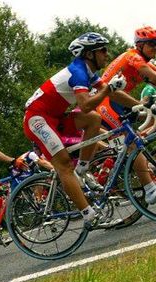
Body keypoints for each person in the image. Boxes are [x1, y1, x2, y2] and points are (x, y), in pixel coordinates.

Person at [23, 32, 127, 229]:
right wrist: (107, 90)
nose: (107, 53)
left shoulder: (88, 73)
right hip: (37, 119)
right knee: (63, 165)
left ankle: (82, 169)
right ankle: (89, 215)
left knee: (93, 120)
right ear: (89, 55)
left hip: (55, 117)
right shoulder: (78, 72)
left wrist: (141, 105)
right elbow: (86, 104)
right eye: (102, 50)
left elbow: (114, 94)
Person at [96, 26, 156, 204]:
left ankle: (133, 176)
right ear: (140, 45)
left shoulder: (143, 60)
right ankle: (150, 190)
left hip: (118, 102)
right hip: (105, 104)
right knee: (133, 143)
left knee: (133, 144)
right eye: (152, 44)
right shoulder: (133, 56)